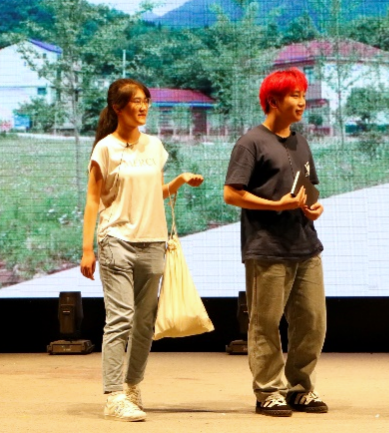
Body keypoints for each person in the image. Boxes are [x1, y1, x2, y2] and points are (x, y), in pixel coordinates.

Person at [80, 78, 204, 422]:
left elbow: (154, 192)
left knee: (145, 323)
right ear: (118, 107)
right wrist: (87, 248)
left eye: (146, 100)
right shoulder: (105, 148)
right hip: (115, 241)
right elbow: (93, 199)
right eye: (136, 100)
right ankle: (113, 395)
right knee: (120, 318)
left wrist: (178, 182)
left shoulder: (154, 146)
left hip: (153, 242)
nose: (143, 106)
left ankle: (132, 387)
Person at [223, 67, 328, 417]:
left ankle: (300, 387)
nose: (302, 102)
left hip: (306, 245)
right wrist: (275, 205)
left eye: (303, 95)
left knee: (312, 321)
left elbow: (308, 190)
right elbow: (231, 193)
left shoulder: (301, 142)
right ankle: (268, 390)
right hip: (267, 247)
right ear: (273, 100)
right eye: (295, 95)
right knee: (265, 323)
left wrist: (313, 208)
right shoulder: (251, 142)